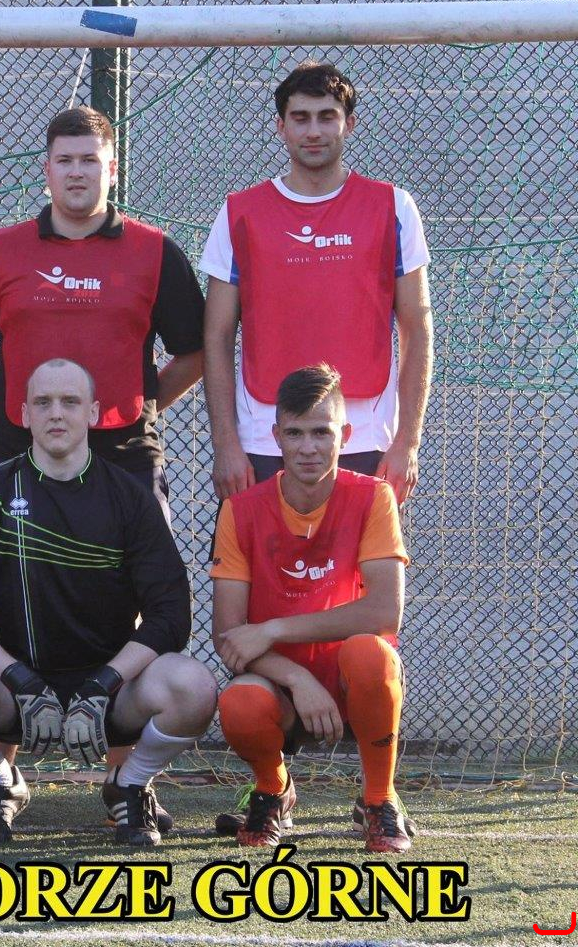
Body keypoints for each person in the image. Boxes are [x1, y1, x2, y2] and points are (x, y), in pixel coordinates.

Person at [0, 105, 205, 826]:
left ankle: (127, 780)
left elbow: (193, 352)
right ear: (47, 169)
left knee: (136, 606)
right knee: (9, 595)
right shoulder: (1, 250)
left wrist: (130, 408)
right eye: (66, 160)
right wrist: (29, 413)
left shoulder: (155, 251)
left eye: (91, 159)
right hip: (17, 450)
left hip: (125, 452)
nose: (78, 172)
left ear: (112, 168)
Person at [0, 359, 216, 845]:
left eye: (70, 402)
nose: (56, 413)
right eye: (43, 402)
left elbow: (171, 616)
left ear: (93, 413)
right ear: (24, 414)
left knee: (194, 685)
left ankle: (129, 784)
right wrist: (18, 678)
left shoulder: (130, 497)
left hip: (112, 694)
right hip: (16, 691)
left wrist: (104, 683)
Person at [202, 61, 433, 504]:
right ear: (281, 127)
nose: (313, 131)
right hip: (265, 435)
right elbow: (216, 335)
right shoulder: (239, 213)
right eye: (301, 118)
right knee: (259, 552)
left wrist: (407, 442)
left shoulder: (394, 206)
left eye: (327, 117)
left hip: (366, 434)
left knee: (362, 553)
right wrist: (227, 444)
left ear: (350, 124)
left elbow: (417, 329)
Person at [210, 363, 413, 853]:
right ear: (276, 437)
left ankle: (379, 800)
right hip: (279, 683)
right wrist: (297, 678)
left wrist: (273, 628)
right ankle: (272, 790)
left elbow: (385, 613)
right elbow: (227, 635)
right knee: (238, 703)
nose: (308, 447)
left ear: (345, 435)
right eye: (295, 433)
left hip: (348, 681)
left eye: (321, 432)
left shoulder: (374, 497)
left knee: (372, 654)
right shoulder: (241, 510)